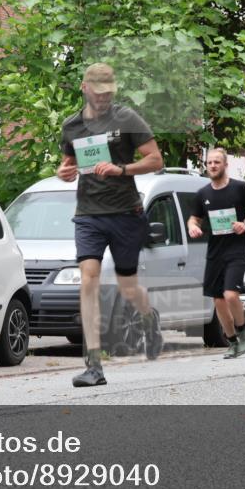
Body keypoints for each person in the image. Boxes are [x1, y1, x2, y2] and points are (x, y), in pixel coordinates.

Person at [57, 62, 165, 387]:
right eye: (97, 92)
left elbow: (156, 160)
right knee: (88, 280)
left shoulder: (126, 119)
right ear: (84, 88)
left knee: (128, 287)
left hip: (125, 213)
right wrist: (63, 173)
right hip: (89, 214)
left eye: (108, 93)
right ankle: (93, 365)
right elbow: (67, 165)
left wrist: (121, 169)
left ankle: (149, 319)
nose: (103, 98)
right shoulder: (71, 126)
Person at [187, 148, 245, 358]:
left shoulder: (239, 188)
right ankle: (232, 341)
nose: (213, 166)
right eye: (209, 162)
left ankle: (244, 331)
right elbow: (194, 218)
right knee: (218, 300)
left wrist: (244, 223)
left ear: (225, 165)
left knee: (230, 294)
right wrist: (192, 227)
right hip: (215, 251)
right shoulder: (203, 194)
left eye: (217, 162)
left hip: (237, 249)